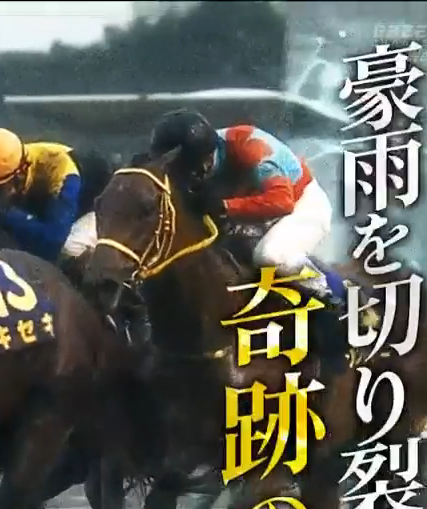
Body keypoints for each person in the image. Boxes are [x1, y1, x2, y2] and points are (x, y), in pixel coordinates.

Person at [148, 109, 361, 370]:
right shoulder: (196, 157)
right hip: (252, 211)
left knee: (271, 255)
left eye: (185, 170)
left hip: (301, 205)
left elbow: (282, 201)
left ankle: (336, 303)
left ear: (205, 159)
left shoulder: (250, 147)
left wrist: (225, 206)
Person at [0, 127, 108, 263]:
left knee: (67, 252)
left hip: (92, 210)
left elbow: (51, 245)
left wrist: (4, 213)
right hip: (40, 203)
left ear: (20, 174)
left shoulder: (64, 176)